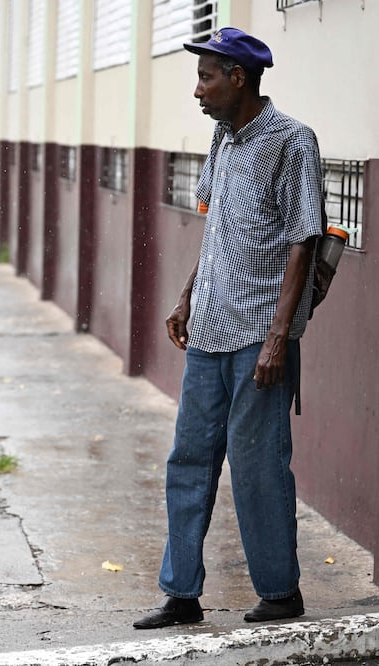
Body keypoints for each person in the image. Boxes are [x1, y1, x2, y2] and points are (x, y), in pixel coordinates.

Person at [133, 28, 323, 630]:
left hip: (258, 339)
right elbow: (219, 229)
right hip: (209, 330)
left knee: (258, 465)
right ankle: (181, 593)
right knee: (187, 459)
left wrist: (277, 338)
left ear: (238, 77)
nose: (198, 91)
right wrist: (187, 295)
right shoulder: (221, 137)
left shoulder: (293, 140)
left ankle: (279, 592)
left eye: (206, 77)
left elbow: (303, 244)